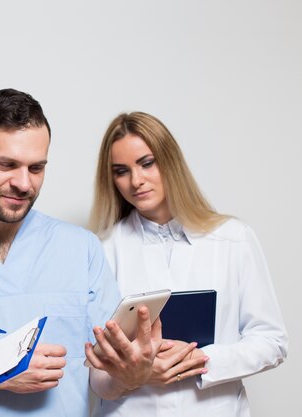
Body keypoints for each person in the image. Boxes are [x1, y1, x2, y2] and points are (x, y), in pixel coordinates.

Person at [0, 89, 161, 416]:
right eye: (7, 164)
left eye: (36, 168)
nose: (24, 184)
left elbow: (100, 377)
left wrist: (129, 376)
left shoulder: (81, 249)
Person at [85, 111, 288, 416]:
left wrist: (202, 360)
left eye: (146, 163)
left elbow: (272, 341)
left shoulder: (233, 238)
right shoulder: (102, 251)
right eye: (121, 171)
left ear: (170, 161)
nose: (136, 181)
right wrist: (131, 374)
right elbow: (94, 374)